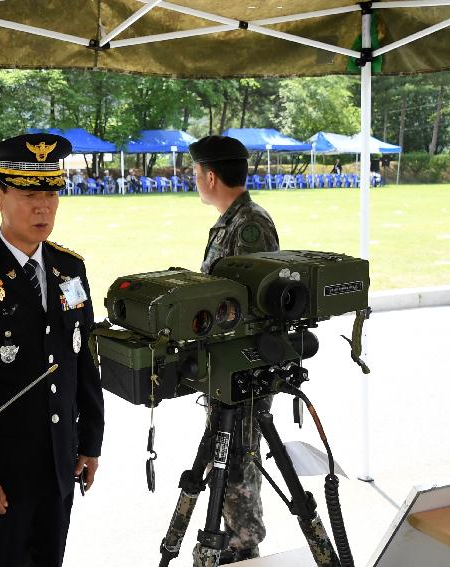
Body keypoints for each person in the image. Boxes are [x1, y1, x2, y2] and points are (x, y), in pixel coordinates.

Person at [0, 133, 105, 567]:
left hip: (59, 458)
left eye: (51, 193)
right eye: (29, 194)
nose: (43, 207)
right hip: (0, 469)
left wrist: (91, 441)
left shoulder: (69, 266)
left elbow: (82, 357)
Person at [191, 135, 280, 564]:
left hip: (244, 364)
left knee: (240, 454)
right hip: (224, 364)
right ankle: (234, 532)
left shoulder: (249, 225)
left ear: (210, 175)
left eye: (195, 173)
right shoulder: (233, 220)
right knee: (227, 452)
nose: (195, 180)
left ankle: (243, 542)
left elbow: (256, 302)